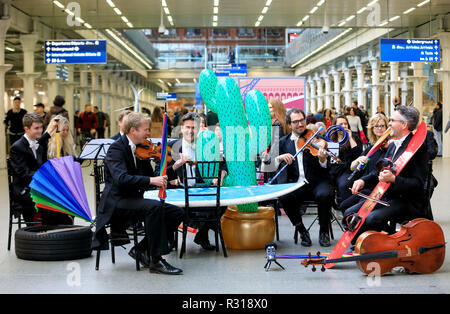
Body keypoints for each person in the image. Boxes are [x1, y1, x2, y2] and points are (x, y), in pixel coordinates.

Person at [92, 112, 186, 275]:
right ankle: (156, 261)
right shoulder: (116, 148)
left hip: (133, 199)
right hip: (117, 203)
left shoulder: (140, 149)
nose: (148, 133)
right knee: (154, 208)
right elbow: (121, 178)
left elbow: (155, 175)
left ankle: (141, 249)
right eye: (146, 129)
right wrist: (151, 181)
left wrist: (174, 167)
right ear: (133, 130)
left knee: (176, 212)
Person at [343, 106, 429, 241]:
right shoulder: (393, 144)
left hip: (405, 200)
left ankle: (386, 243)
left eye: (392, 120)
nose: (389, 124)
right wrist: (363, 180)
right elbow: (378, 171)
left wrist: (394, 179)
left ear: (404, 125)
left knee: (371, 218)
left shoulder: (417, 148)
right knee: (349, 213)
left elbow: (418, 184)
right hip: (386, 195)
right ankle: (369, 244)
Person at [274, 108, 334, 247]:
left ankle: (323, 231)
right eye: (296, 122)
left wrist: (322, 159)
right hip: (296, 184)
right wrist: (279, 158)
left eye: (302, 120)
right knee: (284, 196)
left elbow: (327, 166)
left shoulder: (317, 139)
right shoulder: (283, 143)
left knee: (325, 194)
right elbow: (269, 164)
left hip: (317, 181)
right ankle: (302, 230)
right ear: (289, 125)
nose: (300, 124)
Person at [168, 112, 228, 250]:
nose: (190, 131)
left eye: (194, 127)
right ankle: (170, 238)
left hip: (202, 190)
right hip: (179, 193)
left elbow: (222, 165)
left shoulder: (206, 145)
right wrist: (172, 178)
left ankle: (202, 234)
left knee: (223, 201)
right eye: (187, 127)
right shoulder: (171, 147)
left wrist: (220, 175)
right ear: (181, 128)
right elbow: (159, 172)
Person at [8, 113, 58, 225]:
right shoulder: (17, 147)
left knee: (61, 194)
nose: (40, 131)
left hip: (37, 185)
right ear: (26, 129)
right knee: (50, 198)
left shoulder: (38, 143)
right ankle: (38, 231)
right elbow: (23, 173)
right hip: (24, 189)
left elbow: (44, 165)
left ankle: (55, 231)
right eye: (36, 128)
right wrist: (45, 179)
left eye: (41, 127)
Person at [339, 114, 390, 211]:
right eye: (376, 126)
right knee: (343, 206)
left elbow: (378, 171)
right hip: (366, 188)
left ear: (387, 128)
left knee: (349, 210)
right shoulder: (371, 148)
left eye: (382, 126)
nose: (380, 128)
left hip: (377, 190)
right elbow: (352, 167)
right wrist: (358, 160)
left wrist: (363, 180)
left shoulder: (389, 147)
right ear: (372, 129)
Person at [329, 115, 362, 206]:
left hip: (349, 169)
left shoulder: (354, 137)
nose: (344, 126)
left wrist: (350, 138)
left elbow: (358, 155)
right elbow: (331, 161)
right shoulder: (331, 139)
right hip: (336, 170)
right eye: (341, 124)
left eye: (345, 123)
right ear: (335, 126)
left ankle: (346, 208)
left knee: (344, 184)